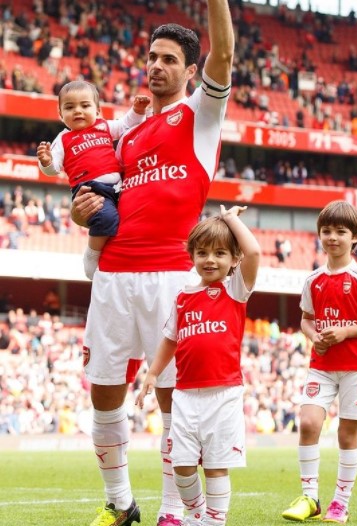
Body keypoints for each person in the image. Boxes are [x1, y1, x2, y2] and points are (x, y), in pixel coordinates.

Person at [70, 4, 235, 526]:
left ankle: (170, 509)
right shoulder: (129, 134)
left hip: (171, 274)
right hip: (114, 274)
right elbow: (100, 194)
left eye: (168, 59)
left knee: (174, 405)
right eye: (151, 57)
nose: (156, 66)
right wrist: (81, 209)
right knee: (103, 395)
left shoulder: (200, 116)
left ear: (191, 71)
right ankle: (120, 503)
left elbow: (225, 52)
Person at [137, 204, 261, 526]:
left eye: (220, 253)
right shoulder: (183, 297)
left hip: (223, 395)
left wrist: (231, 219)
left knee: (217, 465)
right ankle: (195, 513)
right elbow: (169, 339)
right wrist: (152, 373)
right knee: (181, 466)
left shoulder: (235, 290)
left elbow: (255, 253)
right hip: (185, 396)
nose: (210, 259)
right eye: (202, 252)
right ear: (192, 255)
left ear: (233, 260)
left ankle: (213, 520)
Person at [282, 200, 357, 524]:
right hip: (322, 364)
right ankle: (310, 497)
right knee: (309, 423)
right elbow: (305, 320)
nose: (332, 237)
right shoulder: (312, 279)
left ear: (355, 237)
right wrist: (314, 336)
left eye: (340, 232)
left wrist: (344, 332)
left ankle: (340, 502)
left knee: (346, 433)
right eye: (326, 231)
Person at [37, 80, 150, 279]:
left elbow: (125, 124)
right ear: (60, 114)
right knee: (107, 218)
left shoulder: (104, 126)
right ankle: (92, 254)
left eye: (85, 105)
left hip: (118, 188)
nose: (78, 111)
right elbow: (53, 169)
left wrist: (138, 110)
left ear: (98, 110)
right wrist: (46, 161)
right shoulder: (63, 139)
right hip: (90, 190)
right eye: (70, 107)